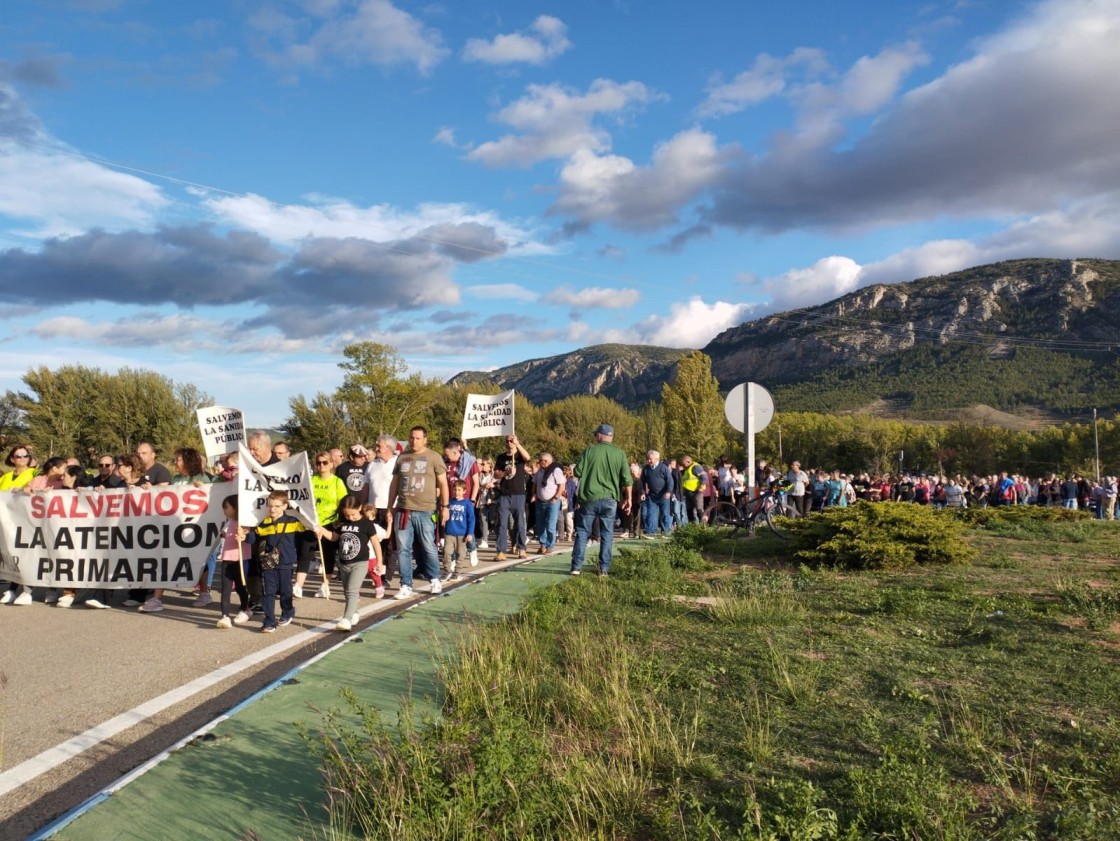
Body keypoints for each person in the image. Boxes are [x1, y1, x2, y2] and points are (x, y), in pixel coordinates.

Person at [387, 426, 449, 599]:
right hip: (404, 509)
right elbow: (394, 483)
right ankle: (406, 585)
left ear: (425, 439)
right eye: (412, 437)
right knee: (403, 549)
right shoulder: (402, 457)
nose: (414, 441)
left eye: (418, 438)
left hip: (426, 510)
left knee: (428, 546)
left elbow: (443, 484)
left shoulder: (434, 457)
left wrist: (445, 507)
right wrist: (390, 506)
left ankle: (434, 579)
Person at [570, 423, 633, 577]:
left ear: (599, 435)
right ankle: (604, 569)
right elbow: (627, 479)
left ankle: (576, 567)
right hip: (610, 498)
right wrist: (629, 498)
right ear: (611, 437)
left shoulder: (589, 451)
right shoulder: (620, 453)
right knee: (607, 534)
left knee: (583, 532)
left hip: (589, 497)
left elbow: (577, 472)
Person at [238, 490, 304, 633]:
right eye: (270, 506)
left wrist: (316, 531)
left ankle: (287, 611)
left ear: (285, 506)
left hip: (286, 562)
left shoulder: (294, 522)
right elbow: (254, 538)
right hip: (268, 563)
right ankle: (269, 621)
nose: (272, 509)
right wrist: (245, 536)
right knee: (268, 592)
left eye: (277, 506)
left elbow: (306, 538)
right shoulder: (264, 523)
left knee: (285, 591)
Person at [316, 495, 384, 632]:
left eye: (352, 514)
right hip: (343, 563)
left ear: (359, 508)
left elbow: (376, 543)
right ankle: (354, 612)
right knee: (347, 592)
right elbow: (333, 537)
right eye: (347, 515)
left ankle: (346, 619)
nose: (350, 518)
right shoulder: (342, 522)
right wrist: (320, 530)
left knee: (352, 590)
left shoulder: (367, 524)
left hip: (360, 562)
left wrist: (379, 562)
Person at [295, 451, 347, 599]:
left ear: (331, 464)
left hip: (329, 523)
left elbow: (343, 504)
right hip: (311, 522)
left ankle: (325, 585)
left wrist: (337, 524)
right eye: (318, 463)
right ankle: (298, 585)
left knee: (328, 555)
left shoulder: (337, 482)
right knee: (305, 553)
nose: (321, 465)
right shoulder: (311, 480)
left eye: (325, 462)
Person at [1, 445, 38, 605]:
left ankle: (27, 591)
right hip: (7, 523)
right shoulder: (5, 477)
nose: (22, 459)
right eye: (19, 456)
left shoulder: (35, 474)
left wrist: (31, 488)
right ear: (12, 459)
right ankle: (9, 590)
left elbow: (45, 484)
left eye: (25, 456)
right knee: (10, 556)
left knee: (27, 555)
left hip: (27, 522)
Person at [364, 435, 399, 587]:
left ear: (389, 448)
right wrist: (362, 506)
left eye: (380, 446)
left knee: (390, 544)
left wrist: (393, 508)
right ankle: (378, 572)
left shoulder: (397, 463)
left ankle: (388, 576)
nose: (376, 448)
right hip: (373, 509)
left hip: (391, 508)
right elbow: (366, 487)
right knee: (375, 542)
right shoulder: (372, 465)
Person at [214, 495, 253, 629]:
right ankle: (225, 616)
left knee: (241, 587)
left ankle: (245, 608)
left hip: (241, 559)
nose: (224, 510)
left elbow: (250, 538)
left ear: (235, 507)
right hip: (227, 559)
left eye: (226, 507)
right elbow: (224, 533)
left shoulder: (245, 523)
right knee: (225, 588)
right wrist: (223, 534)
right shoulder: (229, 521)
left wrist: (243, 535)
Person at [494, 433, 531, 561]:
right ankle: (501, 551)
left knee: (520, 523)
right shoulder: (501, 457)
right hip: (504, 494)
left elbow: (527, 457)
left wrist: (517, 444)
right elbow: (496, 474)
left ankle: (521, 548)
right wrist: (505, 472)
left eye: (511, 440)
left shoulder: (519, 456)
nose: (509, 443)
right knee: (502, 524)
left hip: (518, 494)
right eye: (507, 441)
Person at [441, 480, 477, 582]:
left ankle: (457, 572)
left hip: (462, 533)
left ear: (464, 491)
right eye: (455, 490)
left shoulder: (467, 504)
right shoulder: (450, 502)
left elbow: (471, 519)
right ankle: (446, 570)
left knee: (460, 554)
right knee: (447, 552)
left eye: (459, 490)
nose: (457, 492)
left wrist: (470, 533)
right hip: (450, 532)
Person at [531, 452, 565, 555]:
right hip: (540, 501)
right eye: (541, 460)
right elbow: (535, 483)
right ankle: (543, 544)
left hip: (552, 501)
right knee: (540, 524)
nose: (543, 462)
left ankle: (550, 545)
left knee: (550, 524)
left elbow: (561, 485)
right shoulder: (539, 472)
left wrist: (556, 497)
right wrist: (533, 494)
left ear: (550, 461)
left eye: (545, 461)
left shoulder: (556, 470)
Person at [640, 450, 672, 537]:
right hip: (652, 495)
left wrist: (668, 491)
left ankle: (666, 532)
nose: (648, 461)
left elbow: (670, 481)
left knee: (665, 514)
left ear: (656, 458)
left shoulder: (663, 468)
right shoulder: (646, 468)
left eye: (650, 459)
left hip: (663, 495)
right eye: (647, 459)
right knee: (651, 514)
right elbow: (642, 481)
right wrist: (642, 492)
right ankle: (650, 532)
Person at [679, 455, 707, 523]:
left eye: (684, 464)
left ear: (688, 461)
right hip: (688, 492)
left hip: (696, 492)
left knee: (699, 509)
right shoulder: (686, 469)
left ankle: (703, 526)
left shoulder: (696, 467)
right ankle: (692, 526)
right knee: (689, 510)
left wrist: (701, 487)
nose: (683, 465)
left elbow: (703, 477)